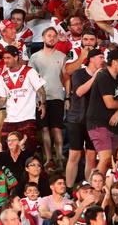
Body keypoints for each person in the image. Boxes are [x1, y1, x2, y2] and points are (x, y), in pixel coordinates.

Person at [86, 49, 118, 174]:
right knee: (105, 158)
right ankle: (94, 190)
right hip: (98, 122)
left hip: (112, 123)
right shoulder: (103, 77)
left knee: (112, 161)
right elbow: (110, 103)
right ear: (114, 62)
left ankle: (106, 189)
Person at [0, 45, 46, 153]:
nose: (6, 61)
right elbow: (2, 98)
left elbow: (40, 89)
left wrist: (43, 104)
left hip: (27, 118)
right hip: (10, 119)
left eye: (8, 58)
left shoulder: (29, 71)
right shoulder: (3, 76)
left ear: (16, 57)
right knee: (6, 149)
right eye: (4, 58)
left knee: (28, 150)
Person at [29, 27, 66, 168]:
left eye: (54, 36)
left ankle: (60, 158)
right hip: (40, 99)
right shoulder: (35, 57)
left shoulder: (62, 56)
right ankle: (49, 159)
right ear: (43, 38)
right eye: (48, 35)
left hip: (57, 96)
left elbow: (65, 78)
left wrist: (67, 97)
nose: (51, 38)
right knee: (44, 128)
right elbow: (31, 79)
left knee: (57, 128)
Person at [66, 48, 103, 189]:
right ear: (92, 59)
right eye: (100, 57)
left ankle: (89, 188)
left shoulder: (103, 74)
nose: (103, 60)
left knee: (91, 157)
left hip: (94, 121)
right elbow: (80, 91)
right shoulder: (79, 73)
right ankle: (68, 189)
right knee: (74, 154)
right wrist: (95, 77)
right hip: (77, 119)